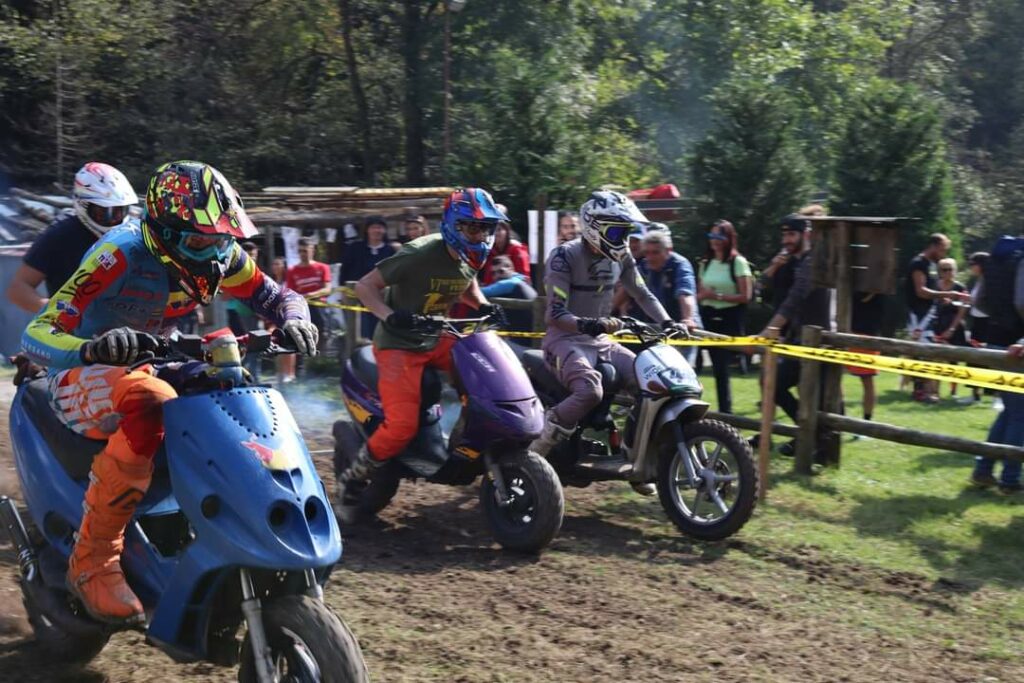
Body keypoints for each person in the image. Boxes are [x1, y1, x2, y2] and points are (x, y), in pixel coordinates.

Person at [20, 161, 318, 624]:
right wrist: (93, 348)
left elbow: (277, 296)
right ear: (166, 231)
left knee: (230, 386)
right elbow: (38, 333)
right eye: (204, 238)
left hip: (154, 361)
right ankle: (94, 560)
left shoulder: (220, 254)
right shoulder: (119, 252)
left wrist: (296, 318)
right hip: (83, 372)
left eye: (225, 237)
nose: (217, 249)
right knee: (149, 401)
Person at [334, 188, 508, 520]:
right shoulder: (419, 252)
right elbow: (364, 286)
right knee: (400, 427)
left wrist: (484, 306)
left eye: (486, 228)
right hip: (399, 344)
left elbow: (465, 283)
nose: (481, 235)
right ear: (454, 226)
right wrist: (389, 315)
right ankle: (354, 478)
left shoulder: (471, 256)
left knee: (483, 377)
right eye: (473, 227)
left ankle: (463, 442)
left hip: (438, 336)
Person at [529, 191, 687, 494]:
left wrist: (668, 322)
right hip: (564, 340)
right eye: (617, 231)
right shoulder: (564, 256)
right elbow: (556, 312)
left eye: (627, 232)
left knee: (649, 380)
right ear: (594, 226)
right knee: (590, 389)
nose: (624, 240)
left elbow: (643, 294)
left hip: (602, 340)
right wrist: (587, 323)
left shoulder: (622, 257)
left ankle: (637, 463)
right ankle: (535, 453)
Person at [7, 162, 138, 313]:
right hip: (71, 331)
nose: (115, 219)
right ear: (83, 204)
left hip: (126, 326)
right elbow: (18, 288)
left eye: (120, 211)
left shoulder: (132, 234)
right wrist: (55, 311)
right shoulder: (59, 236)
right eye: (104, 212)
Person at [759, 214, 833, 454]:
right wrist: (774, 266)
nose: (787, 240)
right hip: (796, 340)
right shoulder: (790, 262)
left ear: (806, 235)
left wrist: (770, 329)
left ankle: (815, 442)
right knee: (775, 385)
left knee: (818, 399)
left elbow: (794, 300)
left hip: (816, 341)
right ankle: (809, 436)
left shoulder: (812, 262)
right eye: (784, 235)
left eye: (792, 234)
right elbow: (764, 290)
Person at [696, 220, 753, 414]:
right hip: (707, 317)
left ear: (728, 239)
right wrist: (702, 297)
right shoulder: (706, 263)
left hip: (728, 319)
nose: (715, 241)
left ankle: (725, 413)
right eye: (712, 237)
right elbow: (700, 293)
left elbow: (746, 296)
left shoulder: (738, 263)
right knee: (695, 364)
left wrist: (717, 296)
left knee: (721, 369)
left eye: (720, 237)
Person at [637, 230, 701, 365]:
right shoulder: (644, 266)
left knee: (681, 374)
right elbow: (629, 290)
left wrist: (688, 319)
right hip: (657, 328)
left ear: (668, 250)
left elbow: (685, 293)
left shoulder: (680, 265)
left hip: (682, 328)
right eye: (647, 252)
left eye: (655, 252)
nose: (650, 257)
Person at [971, 342, 1024, 495]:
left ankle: (983, 471)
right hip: (1016, 355)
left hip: (1007, 353)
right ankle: (1009, 481)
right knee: (1018, 418)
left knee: (1009, 416)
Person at [340, 217, 396, 338]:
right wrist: (343, 289)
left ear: (384, 231)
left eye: (380, 227)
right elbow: (345, 270)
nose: (377, 230)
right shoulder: (355, 248)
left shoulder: (390, 250)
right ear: (367, 230)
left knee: (380, 327)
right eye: (373, 227)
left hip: (382, 296)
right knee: (359, 329)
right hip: (357, 296)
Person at [287, 237, 334, 348]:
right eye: (300, 251)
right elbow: (291, 293)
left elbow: (327, 289)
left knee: (322, 332)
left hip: (319, 307)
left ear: (312, 250)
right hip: (303, 308)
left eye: (305, 251)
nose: (303, 254)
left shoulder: (323, 268)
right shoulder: (292, 271)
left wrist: (308, 295)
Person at [226, 241, 263, 380]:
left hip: (253, 314)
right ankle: (246, 377)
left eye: (254, 255)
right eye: (249, 255)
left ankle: (250, 376)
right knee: (248, 348)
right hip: (241, 313)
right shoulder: (237, 270)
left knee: (253, 349)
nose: (252, 258)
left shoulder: (256, 271)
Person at [481, 255, 537, 332]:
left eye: (501, 271)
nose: (497, 276)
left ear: (511, 269)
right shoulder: (521, 279)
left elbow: (481, 292)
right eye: (493, 273)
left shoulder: (511, 283)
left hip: (523, 340)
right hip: (528, 336)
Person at [480, 212, 531, 285]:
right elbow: (487, 277)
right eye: (492, 230)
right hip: (493, 291)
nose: (496, 233)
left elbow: (524, 278)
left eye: (499, 229)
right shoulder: (489, 250)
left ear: (506, 230)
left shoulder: (517, 249)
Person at [270, 256, 297, 383]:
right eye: (274, 264)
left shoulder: (288, 282)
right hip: (275, 317)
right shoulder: (271, 282)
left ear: (284, 266)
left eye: (278, 264)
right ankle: (280, 372)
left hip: (288, 315)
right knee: (277, 344)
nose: (275, 266)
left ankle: (290, 373)